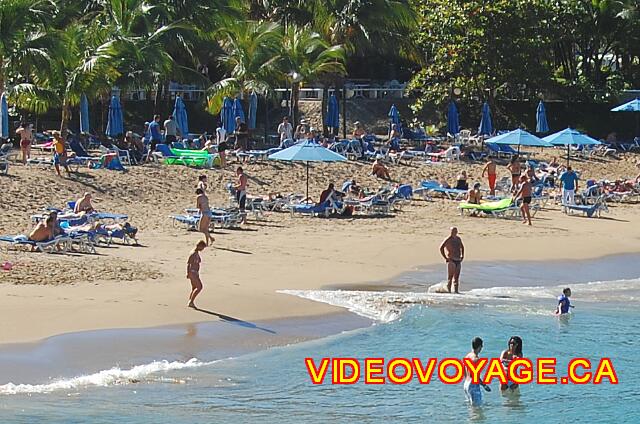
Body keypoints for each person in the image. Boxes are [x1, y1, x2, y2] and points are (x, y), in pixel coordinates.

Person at [463, 337, 491, 406]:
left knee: (471, 408)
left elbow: (464, 370)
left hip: (466, 384)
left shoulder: (467, 356)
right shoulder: (476, 359)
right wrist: (484, 385)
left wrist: (467, 380)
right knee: (477, 410)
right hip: (473, 386)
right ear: (479, 346)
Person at [439, 227, 464, 293]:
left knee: (456, 278)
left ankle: (456, 292)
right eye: (453, 231)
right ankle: (449, 292)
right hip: (451, 260)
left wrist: (462, 256)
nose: (454, 232)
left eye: (455, 231)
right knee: (450, 277)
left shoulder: (458, 239)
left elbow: (462, 247)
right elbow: (441, 248)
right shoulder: (448, 239)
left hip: (458, 260)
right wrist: (446, 258)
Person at [186, 240, 207, 308]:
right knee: (199, 287)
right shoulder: (193, 254)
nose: (202, 249)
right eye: (202, 247)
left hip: (195, 272)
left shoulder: (196, 253)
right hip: (193, 272)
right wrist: (188, 273)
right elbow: (189, 264)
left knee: (194, 288)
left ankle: (190, 301)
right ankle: (191, 301)